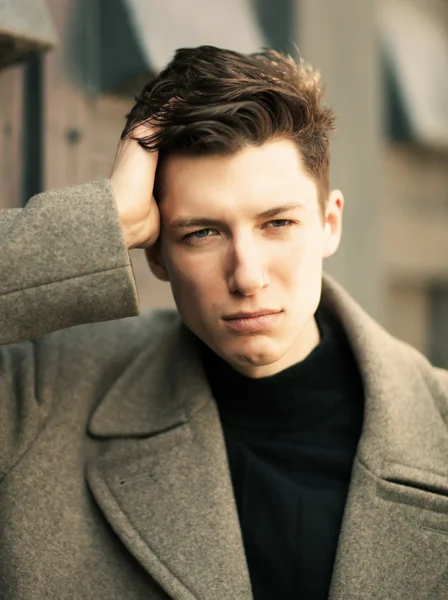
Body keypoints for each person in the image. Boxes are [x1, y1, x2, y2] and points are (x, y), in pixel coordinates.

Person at [0, 46, 447, 600]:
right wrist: (105, 222)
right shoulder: (40, 400)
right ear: (156, 254)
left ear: (329, 224)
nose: (247, 275)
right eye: (203, 234)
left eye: (277, 223)